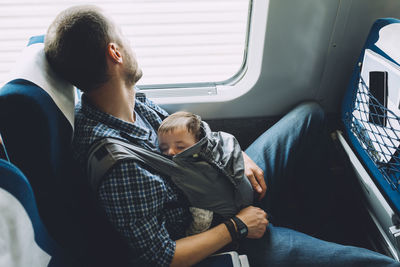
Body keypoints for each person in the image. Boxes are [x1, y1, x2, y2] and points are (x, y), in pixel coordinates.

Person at [44, 5, 400, 267]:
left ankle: (312, 223)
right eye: (124, 37)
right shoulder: (118, 168)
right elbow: (163, 257)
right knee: (382, 265)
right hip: (211, 232)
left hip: (213, 184)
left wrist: (237, 157)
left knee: (309, 117)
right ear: (115, 52)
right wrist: (237, 226)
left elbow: (188, 131)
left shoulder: (129, 101)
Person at [157, 111, 254, 235]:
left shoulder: (195, 176)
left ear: (198, 142)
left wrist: (189, 236)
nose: (170, 152)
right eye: (163, 148)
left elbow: (203, 218)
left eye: (180, 147)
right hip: (245, 195)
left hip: (229, 215)